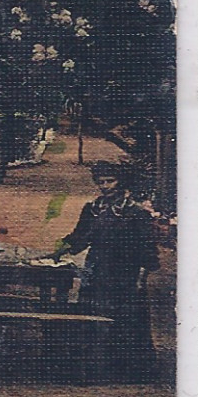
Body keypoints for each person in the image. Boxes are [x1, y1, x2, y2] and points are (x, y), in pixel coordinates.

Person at [58, 160, 159, 378]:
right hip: (97, 268)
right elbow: (79, 237)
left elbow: (147, 251)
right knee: (94, 314)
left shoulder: (136, 213)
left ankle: (129, 369)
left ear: (121, 182)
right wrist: (58, 250)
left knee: (125, 317)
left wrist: (141, 278)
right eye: (100, 182)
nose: (105, 186)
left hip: (124, 272)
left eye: (110, 181)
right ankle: (96, 366)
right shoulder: (93, 209)